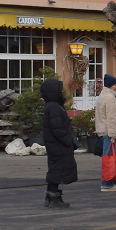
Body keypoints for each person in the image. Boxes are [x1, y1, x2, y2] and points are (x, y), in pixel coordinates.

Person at [41, 78, 78, 208]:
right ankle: (53, 197)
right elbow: (57, 128)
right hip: (58, 145)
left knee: (55, 170)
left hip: (55, 144)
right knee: (57, 170)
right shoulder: (54, 107)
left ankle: (51, 195)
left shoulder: (51, 106)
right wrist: (67, 140)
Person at [93, 73, 116, 193]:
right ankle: (107, 183)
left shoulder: (102, 96)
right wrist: (113, 134)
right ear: (111, 85)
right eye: (115, 84)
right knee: (109, 158)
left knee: (111, 157)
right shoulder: (110, 98)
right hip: (108, 132)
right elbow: (111, 118)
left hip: (103, 130)